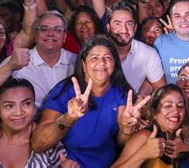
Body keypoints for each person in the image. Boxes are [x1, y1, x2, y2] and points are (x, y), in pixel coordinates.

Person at [31, 35, 149, 167]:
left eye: (107, 58)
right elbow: (37, 144)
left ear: (114, 63)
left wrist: (127, 128)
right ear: (83, 64)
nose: (102, 63)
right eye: (94, 58)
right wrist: (69, 118)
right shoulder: (64, 91)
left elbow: (121, 143)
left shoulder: (121, 93)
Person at [0, 11, 76, 109]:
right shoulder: (16, 60)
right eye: (44, 29)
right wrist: (9, 66)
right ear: (35, 35)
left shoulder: (76, 61)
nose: (50, 33)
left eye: (57, 30)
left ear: (65, 36)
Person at [112, 84, 189, 168]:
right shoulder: (144, 136)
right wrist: (143, 154)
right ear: (154, 112)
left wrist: (185, 154)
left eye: (180, 106)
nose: (176, 111)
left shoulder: (181, 139)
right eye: (168, 106)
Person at [106, 2, 166, 94]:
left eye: (129, 24)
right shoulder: (96, 51)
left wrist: (142, 100)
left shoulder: (149, 54)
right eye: (117, 24)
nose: (124, 30)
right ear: (108, 27)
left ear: (135, 27)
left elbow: (161, 89)